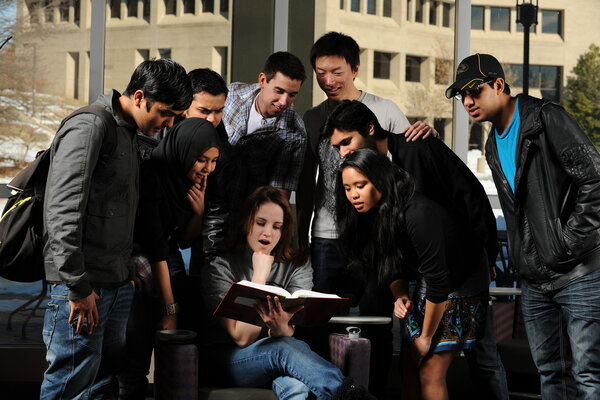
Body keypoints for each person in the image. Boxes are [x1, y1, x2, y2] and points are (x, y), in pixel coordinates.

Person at [325, 99, 507, 399]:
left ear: (370, 129)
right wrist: (399, 293)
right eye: (338, 147)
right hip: (425, 269)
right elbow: (388, 253)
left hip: (463, 265)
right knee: (412, 360)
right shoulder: (365, 190)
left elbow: (470, 196)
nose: (343, 152)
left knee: (477, 358)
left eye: (347, 142)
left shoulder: (418, 146)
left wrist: (488, 254)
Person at [447, 53, 600, 399]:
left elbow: (594, 180)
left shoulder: (546, 120)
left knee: (589, 376)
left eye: (475, 91)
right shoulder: (490, 145)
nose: (467, 101)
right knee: (551, 374)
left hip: (579, 273)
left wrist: (567, 243)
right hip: (534, 279)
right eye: (462, 96)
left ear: (499, 85)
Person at [41, 58, 192, 399]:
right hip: (81, 287)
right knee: (69, 383)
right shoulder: (90, 127)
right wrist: (78, 288)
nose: (167, 124)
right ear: (139, 97)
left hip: (114, 284)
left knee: (100, 384)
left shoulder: (130, 134)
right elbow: (62, 211)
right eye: (164, 113)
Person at [296, 32, 434, 396]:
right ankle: (329, 390)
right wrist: (302, 238)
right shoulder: (311, 118)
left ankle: (374, 391)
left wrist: (429, 131)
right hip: (326, 237)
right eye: (321, 73)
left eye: (336, 71)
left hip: (375, 236)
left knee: (376, 318)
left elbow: (412, 154)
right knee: (320, 321)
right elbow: (308, 185)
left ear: (354, 69)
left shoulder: (384, 109)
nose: (328, 80)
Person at [336, 148, 489, 400]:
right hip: (431, 281)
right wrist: (400, 294)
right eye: (347, 188)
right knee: (408, 365)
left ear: (380, 180)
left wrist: (426, 338)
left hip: (463, 281)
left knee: (429, 370)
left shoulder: (416, 212)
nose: (353, 194)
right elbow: (391, 265)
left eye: (360, 185)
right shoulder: (371, 212)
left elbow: (440, 282)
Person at [201, 186, 374, 400]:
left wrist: (282, 328)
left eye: (277, 227)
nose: (268, 233)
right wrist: (259, 279)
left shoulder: (297, 265)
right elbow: (242, 338)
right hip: (228, 361)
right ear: (246, 223)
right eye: (260, 223)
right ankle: (351, 396)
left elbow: (291, 331)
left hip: (279, 354)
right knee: (282, 348)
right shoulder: (220, 267)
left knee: (296, 386)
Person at [119, 118, 220, 399]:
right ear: (184, 151)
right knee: (137, 347)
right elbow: (155, 247)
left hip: (160, 260)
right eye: (202, 160)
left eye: (213, 161)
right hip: (134, 266)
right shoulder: (153, 174)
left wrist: (199, 213)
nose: (208, 169)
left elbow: (183, 241)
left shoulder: (187, 181)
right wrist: (170, 310)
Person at [222, 51, 307, 201]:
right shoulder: (232, 94)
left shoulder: (295, 134)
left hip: (247, 212)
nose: (283, 101)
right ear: (262, 80)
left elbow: (278, 199)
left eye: (292, 95)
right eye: (279, 91)